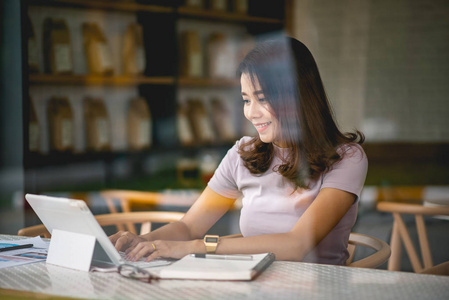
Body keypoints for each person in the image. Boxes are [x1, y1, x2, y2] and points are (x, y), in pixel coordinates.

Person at [109, 36, 368, 265]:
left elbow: (297, 245)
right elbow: (188, 227)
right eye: (246, 100)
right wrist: (141, 241)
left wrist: (197, 248)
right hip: (253, 284)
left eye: (262, 98)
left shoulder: (346, 158)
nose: (251, 113)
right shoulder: (243, 154)